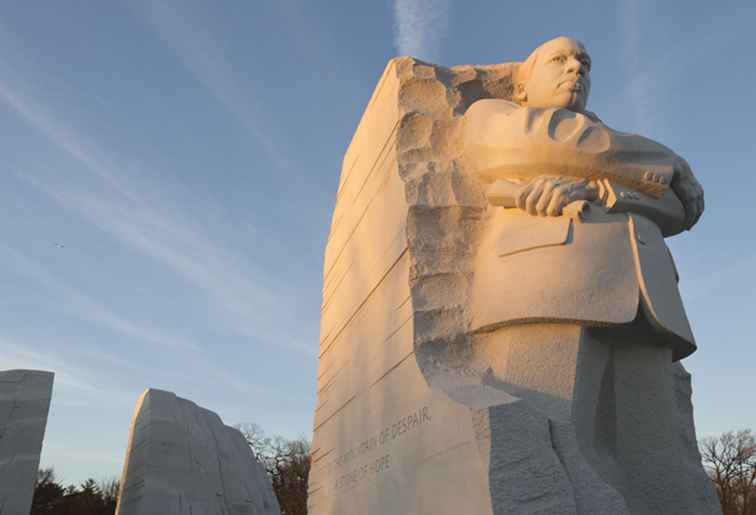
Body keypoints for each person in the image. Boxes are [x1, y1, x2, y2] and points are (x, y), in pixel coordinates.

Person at [461, 36, 719, 514]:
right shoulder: (493, 115)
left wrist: (603, 190)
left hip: (646, 296)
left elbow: (679, 206)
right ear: (521, 85)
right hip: (549, 284)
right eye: (558, 60)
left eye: (583, 62)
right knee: (548, 441)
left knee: (658, 460)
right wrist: (665, 161)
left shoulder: (611, 147)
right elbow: (526, 141)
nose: (574, 69)